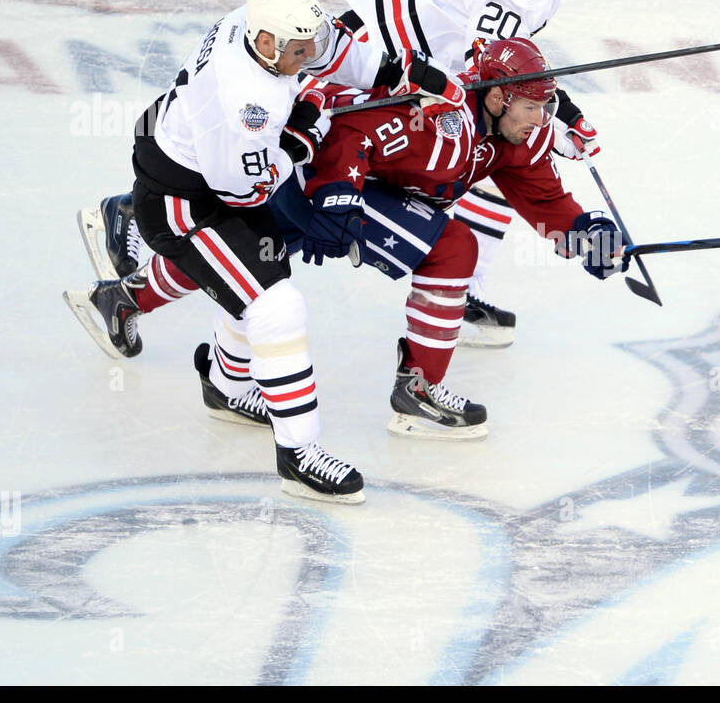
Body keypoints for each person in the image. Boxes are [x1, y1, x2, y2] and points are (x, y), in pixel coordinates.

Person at [77, 0, 619, 349]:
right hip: (382, 49)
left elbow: (503, 60)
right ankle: (130, 212)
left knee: (476, 168)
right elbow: (496, 66)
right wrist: (562, 111)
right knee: (276, 162)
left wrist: (554, 111)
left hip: (418, 58)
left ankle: (457, 291)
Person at [64, 0, 464, 502]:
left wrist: (407, 74)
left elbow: (332, 51)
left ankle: (227, 386)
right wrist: (301, 136)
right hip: (187, 205)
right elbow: (249, 191)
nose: (309, 57)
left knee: (255, 277)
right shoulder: (249, 103)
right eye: (298, 51)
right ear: (270, 45)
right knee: (275, 306)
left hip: (188, 159)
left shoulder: (260, 24)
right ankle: (297, 453)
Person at [269, 36, 629, 440]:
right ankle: (417, 392)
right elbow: (352, 132)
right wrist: (337, 195)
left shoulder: (513, 135)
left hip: (313, 184)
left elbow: (543, 197)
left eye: (545, 107)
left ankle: (224, 382)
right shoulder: (440, 116)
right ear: (497, 97)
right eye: (531, 107)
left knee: (238, 265)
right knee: (453, 247)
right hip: (318, 180)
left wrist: (586, 237)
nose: (541, 120)